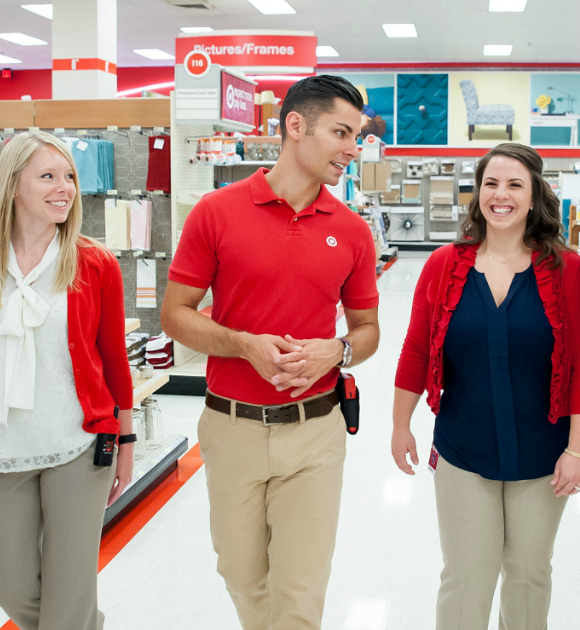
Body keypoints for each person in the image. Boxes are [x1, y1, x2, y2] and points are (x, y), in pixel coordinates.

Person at [161, 75, 381, 630]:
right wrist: (241, 345)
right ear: (295, 126)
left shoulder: (352, 232)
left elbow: (368, 328)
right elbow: (175, 314)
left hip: (316, 430)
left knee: (301, 592)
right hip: (230, 426)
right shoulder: (216, 211)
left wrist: (336, 351)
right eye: (341, 132)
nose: (353, 148)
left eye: (355, 135)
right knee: (239, 573)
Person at [393, 143, 580, 629]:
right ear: (478, 193)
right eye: (491, 183)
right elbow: (417, 350)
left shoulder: (567, 270)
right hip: (463, 450)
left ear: (535, 197)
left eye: (515, 185)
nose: (501, 195)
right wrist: (400, 424)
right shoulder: (444, 266)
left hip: (543, 452)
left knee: (530, 574)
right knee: (467, 576)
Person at [0, 131, 135, 630]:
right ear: (12, 185)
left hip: (78, 446)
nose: (64, 188)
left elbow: (114, 361)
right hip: (1, 451)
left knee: (68, 600)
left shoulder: (95, 263)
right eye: (47, 176)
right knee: (11, 587)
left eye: (68, 176)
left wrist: (126, 442)